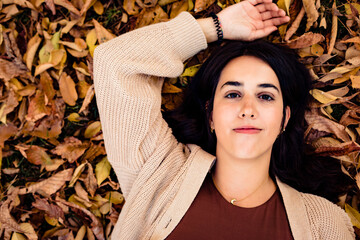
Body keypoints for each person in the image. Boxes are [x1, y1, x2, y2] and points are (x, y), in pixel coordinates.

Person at [93, 0, 355, 239]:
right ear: (210, 115)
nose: (247, 108)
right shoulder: (162, 174)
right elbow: (115, 63)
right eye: (232, 94)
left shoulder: (323, 224)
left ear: (284, 119)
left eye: (265, 96)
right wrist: (216, 28)